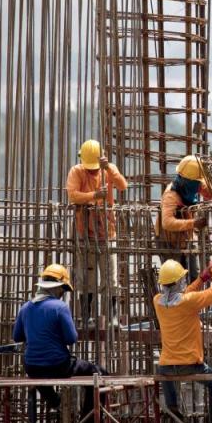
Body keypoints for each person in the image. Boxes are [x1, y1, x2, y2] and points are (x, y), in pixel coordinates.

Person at [12, 264, 108, 423]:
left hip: (32, 367)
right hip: (58, 365)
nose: (63, 294)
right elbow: (71, 339)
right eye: (63, 289)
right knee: (98, 373)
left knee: (40, 376)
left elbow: (17, 337)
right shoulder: (59, 307)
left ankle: (56, 402)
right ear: (56, 288)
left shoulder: (25, 308)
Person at [153, 258, 212, 423]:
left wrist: (201, 279)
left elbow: (181, 294)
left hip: (167, 366)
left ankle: (172, 406)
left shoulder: (157, 301)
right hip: (190, 364)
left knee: (162, 371)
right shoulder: (189, 302)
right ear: (179, 281)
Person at [66, 139, 128, 327]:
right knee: (87, 277)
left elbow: (122, 185)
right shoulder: (77, 171)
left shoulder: (108, 170)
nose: (93, 171)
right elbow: (72, 194)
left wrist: (108, 168)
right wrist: (94, 196)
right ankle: (87, 317)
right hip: (84, 232)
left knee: (110, 277)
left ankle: (112, 317)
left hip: (107, 231)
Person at [157, 155, 210, 277]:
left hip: (187, 238)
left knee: (193, 276)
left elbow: (209, 192)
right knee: (175, 279)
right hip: (169, 241)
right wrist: (193, 223)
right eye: (196, 183)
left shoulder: (192, 185)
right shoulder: (171, 195)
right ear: (188, 182)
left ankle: (191, 296)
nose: (198, 187)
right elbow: (167, 222)